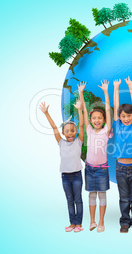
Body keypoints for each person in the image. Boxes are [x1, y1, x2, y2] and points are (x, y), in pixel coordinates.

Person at [39, 99, 84, 233]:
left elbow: (81, 126)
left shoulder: (78, 141)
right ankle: (72, 223)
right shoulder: (61, 142)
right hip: (65, 176)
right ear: (63, 133)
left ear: (75, 131)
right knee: (69, 200)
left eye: (72, 130)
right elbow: (54, 127)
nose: (70, 133)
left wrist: (80, 110)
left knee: (78, 200)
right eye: (67, 131)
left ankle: (79, 224)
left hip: (76, 175)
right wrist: (46, 113)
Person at [78, 81, 113, 233]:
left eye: (100, 118)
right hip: (89, 168)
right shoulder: (89, 131)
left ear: (104, 120)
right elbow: (85, 113)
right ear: (91, 121)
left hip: (102, 169)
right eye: (94, 118)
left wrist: (106, 92)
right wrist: (80, 93)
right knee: (92, 195)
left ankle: (101, 221)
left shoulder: (106, 131)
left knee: (102, 195)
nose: (97, 120)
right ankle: (92, 221)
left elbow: (108, 111)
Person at [113, 77, 132, 233]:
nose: (126, 118)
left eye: (128, 116)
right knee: (124, 198)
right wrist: (116, 89)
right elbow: (116, 106)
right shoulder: (117, 124)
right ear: (120, 117)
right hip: (120, 167)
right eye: (123, 116)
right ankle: (125, 222)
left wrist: (131, 87)